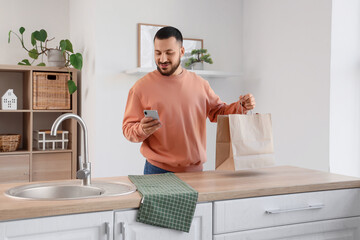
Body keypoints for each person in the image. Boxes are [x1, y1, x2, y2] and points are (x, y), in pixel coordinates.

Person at [122, 26, 256, 174]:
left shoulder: (200, 84)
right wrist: (142, 129)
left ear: (182, 52)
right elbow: (128, 129)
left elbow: (219, 112)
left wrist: (242, 106)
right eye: (158, 53)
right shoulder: (141, 87)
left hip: (195, 172)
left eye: (169, 53)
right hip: (156, 171)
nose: (163, 59)